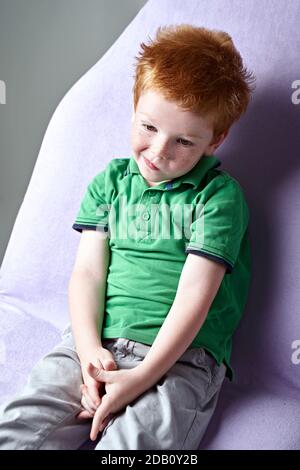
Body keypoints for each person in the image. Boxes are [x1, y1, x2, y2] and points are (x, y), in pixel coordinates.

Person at [0, 24, 255, 450]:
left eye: (183, 142)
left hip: (181, 359)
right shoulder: (111, 183)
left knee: (134, 448)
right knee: (21, 426)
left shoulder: (219, 197)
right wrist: (85, 350)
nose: (158, 153)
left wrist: (143, 375)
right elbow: (87, 274)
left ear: (216, 139)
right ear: (135, 106)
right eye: (149, 127)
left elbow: (196, 296)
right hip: (96, 339)